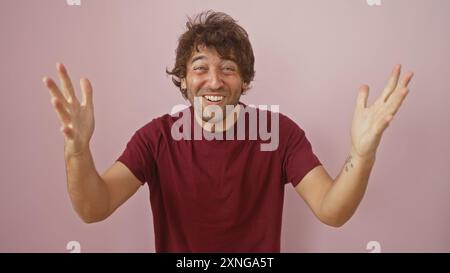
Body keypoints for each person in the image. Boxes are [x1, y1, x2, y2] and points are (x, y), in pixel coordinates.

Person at [42, 11, 414, 252]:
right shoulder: (155, 138)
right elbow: (94, 208)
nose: (214, 81)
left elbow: (332, 210)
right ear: (184, 81)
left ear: (244, 80)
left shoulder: (280, 134)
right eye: (200, 68)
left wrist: (362, 155)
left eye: (228, 68)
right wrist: (77, 152)